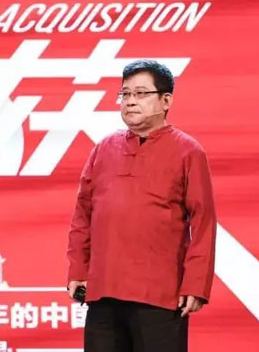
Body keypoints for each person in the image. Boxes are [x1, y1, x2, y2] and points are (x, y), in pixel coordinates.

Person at [66, 59, 216, 352]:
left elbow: (204, 223)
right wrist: (78, 271)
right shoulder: (104, 148)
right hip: (103, 290)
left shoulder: (188, 151)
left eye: (141, 93)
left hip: (160, 295)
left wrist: (195, 285)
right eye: (125, 94)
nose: (130, 101)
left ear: (166, 101)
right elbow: (82, 215)